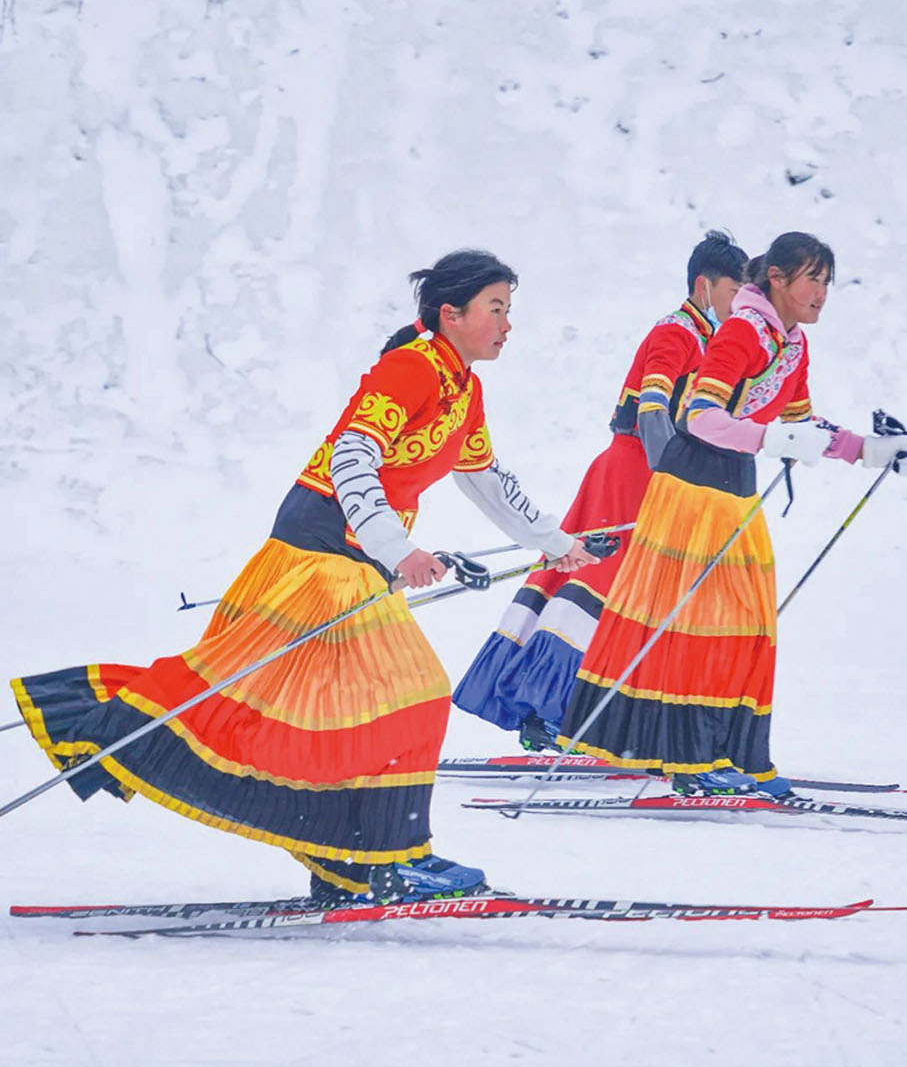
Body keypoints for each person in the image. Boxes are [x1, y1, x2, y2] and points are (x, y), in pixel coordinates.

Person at [12, 250, 594, 905]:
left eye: (507, 310)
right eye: (495, 309)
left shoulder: (463, 388)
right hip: (320, 552)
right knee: (412, 692)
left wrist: (555, 543)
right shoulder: (410, 367)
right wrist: (397, 547)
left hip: (352, 557)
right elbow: (352, 453)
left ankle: (354, 862)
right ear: (450, 313)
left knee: (334, 713)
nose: (506, 324)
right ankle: (391, 858)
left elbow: (486, 478)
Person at [558, 231, 907, 799]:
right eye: (812, 279)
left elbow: (802, 423)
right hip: (693, 483)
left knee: (748, 624)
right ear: (777, 278)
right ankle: (690, 756)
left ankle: (724, 750)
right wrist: (774, 438)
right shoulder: (744, 330)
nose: (822, 293)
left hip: (733, 487)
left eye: (827, 282)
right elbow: (699, 417)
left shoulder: (791, 344)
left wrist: (868, 450)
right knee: (700, 624)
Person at [453, 230, 748, 750]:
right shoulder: (676, 333)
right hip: (635, 473)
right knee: (598, 586)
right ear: (704, 286)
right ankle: (545, 709)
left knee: (637, 597)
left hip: (656, 476)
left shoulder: (709, 341)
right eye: (732, 292)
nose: (738, 304)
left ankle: (595, 715)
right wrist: (670, 477)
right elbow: (653, 410)